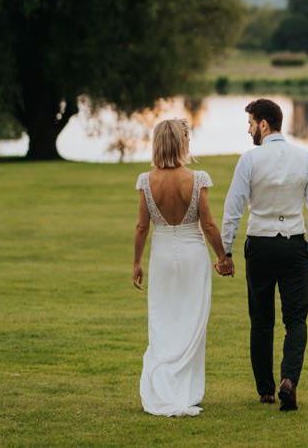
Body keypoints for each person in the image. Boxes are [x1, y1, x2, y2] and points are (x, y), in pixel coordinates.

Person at [222, 98, 308, 411]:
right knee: (296, 319)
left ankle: (266, 390)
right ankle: (289, 380)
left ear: (263, 124)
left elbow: (233, 208)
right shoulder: (307, 158)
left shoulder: (250, 160)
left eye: (251, 124)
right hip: (294, 244)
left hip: (260, 244)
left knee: (261, 320)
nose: (249, 130)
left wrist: (226, 249)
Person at [132, 119, 232, 417]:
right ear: (182, 143)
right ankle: (186, 391)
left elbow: (141, 227)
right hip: (192, 254)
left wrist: (137, 262)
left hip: (161, 255)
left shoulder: (146, 180)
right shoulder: (197, 178)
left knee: (163, 320)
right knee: (191, 321)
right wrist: (223, 257)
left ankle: (165, 388)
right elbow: (209, 223)